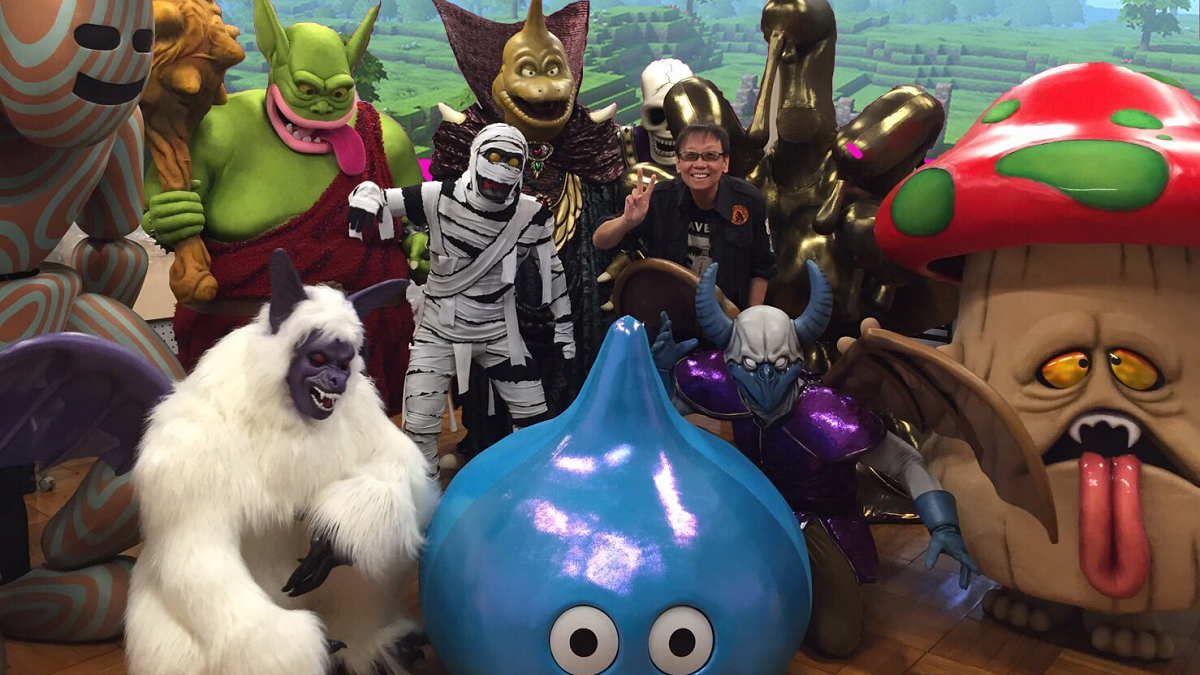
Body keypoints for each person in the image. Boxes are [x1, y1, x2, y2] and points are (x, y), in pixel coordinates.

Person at [347, 123, 574, 468]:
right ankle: (423, 493)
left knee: (534, 420)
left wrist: (565, 328)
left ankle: (529, 485)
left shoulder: (533, 216)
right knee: (419, 425)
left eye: (513, 161)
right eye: (494, 157)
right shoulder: (437, 196)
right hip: (438, 331)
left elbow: (553, 272)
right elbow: (381, 196)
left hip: (499, 332)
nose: (502, 169)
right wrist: (365, 195)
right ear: (476, 156)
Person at [593, 122, 776, 309]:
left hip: (728, 315)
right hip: (672, 314)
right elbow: (600, 241)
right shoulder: (659, 198)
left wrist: (747, 318)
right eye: (690, 156)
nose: (700, 164)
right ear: (678, 163)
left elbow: (762, 267)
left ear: (725, 163)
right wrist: (626, 222)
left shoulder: (749, 200)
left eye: (710, 156)